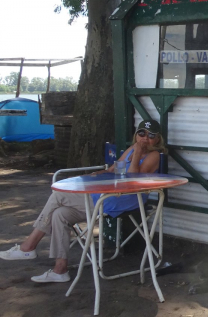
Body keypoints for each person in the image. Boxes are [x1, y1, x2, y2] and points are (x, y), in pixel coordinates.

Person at [0, 120, 166, 283]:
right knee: (59, 214)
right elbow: (111, 170)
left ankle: (28, 247)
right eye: (141, 133)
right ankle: (60, 270)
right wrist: (95, 175)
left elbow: (132, 181)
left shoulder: (153, 156)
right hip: (108, 194)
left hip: (125, 199)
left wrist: (137, 153)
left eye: (151, 135)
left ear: (157, 139)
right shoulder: (131, 149)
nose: (145, 138)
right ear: (136, 135)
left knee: (58, 195)